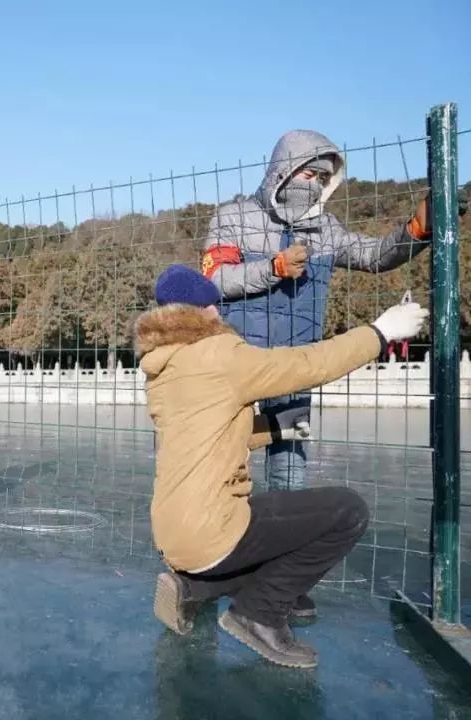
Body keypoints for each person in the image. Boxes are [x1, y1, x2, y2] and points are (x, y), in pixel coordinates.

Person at [135, 264, 427, 668]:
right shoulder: (217, 354)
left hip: (172, 533)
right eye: (215, 308)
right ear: (201, 312)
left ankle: (194, 588)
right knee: (346, 511)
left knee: (274, 521)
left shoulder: (162, 370)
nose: (220, 315)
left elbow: (210, 430)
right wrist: (379, 332)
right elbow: (306, 363)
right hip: (211, 530)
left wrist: (274, 428)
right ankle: (259, 614)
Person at [200, 129, 440, 493]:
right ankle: (230, 544)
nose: (315, 186)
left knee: (291, 476)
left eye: (324, 179)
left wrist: (417, 229)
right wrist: (273, 268)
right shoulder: (233, 217)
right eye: (309, 175)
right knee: (224, 470)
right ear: (282, 171)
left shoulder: (325, 229)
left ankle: (284, 547)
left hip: (298, 368)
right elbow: (214, 279)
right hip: (237, 367)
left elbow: (374, 255)